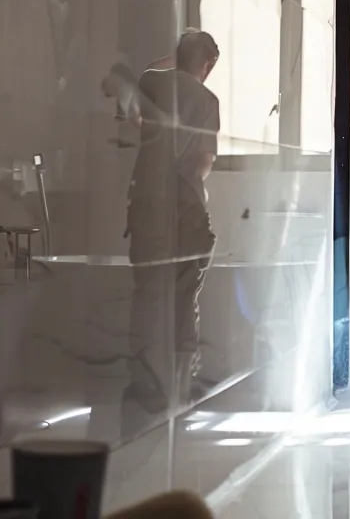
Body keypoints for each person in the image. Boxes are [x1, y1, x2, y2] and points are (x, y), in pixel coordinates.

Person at [125, 30, 222, 415]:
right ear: (208, 64)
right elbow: (204, 162)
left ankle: (142, 383)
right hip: (186, 208)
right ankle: (182, 386)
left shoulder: (153, 81)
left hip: (147, 203)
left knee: (146, 297)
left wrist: (176, 61)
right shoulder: (208, 100)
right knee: (185, 298)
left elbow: (145, 72)